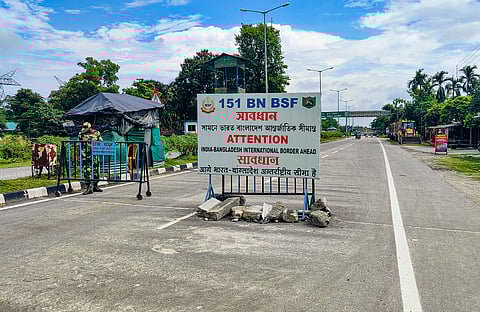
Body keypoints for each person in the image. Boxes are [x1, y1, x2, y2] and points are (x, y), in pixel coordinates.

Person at [78, 122, 103, 195]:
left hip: (95, 155)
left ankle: (95, 185)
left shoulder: (96, 133)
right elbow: (78, 144)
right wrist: (78, 154)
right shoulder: (81, 134)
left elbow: (101, 142)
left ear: (90, 128)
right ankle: (88, 187)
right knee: (86, 170)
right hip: (85, 155)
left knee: (96, 170)